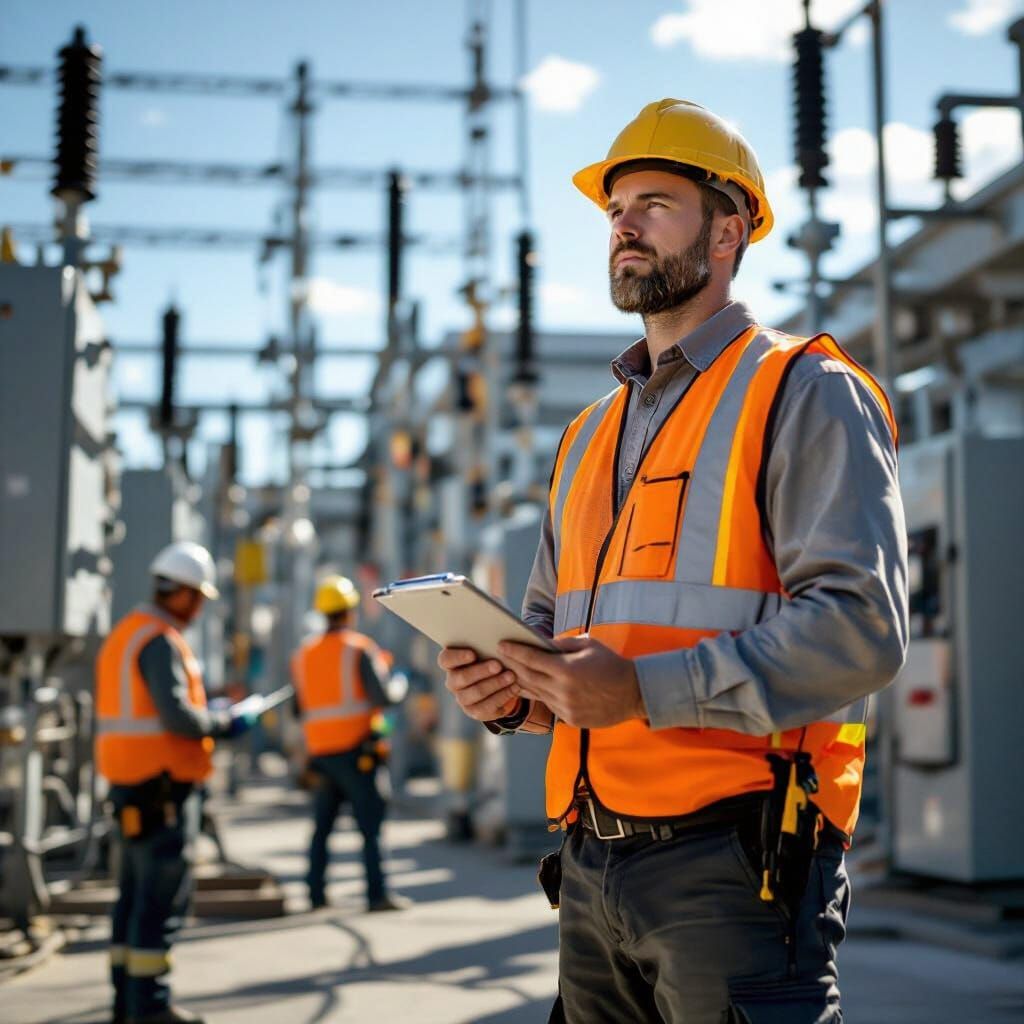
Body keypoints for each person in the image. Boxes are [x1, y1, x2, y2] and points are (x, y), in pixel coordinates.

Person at [440, 98, 908, 1023]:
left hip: (737, 864)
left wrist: (641, 690)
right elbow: (555, 635)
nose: (625, 224)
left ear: (729, 232)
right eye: (616, 209)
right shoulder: (587, 433)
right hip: (589, 866)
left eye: (654, 204)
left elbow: (862, 631)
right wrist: (515, 690)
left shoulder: (805, 390)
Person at [95, 541, 255, 1024]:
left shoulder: (127, 632)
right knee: (159, 900)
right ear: (183, 593)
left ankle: (126, 1004)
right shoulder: (159, 639)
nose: (200, 607)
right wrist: (226, 722)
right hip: (162, 790)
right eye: (199, 597)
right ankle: (150, 1006)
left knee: (132, 898)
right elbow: (179, 719)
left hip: (130, 785)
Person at [292, 575, 408, 913]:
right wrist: (399, 684)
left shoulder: (303, 655)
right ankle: (377, 895)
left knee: (322, 828)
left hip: (321, 755)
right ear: (349, 611)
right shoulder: (359, 649)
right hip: (357, 752)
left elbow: (298, 709)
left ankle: (315, 894)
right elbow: (383, 697)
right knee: (370, 827)